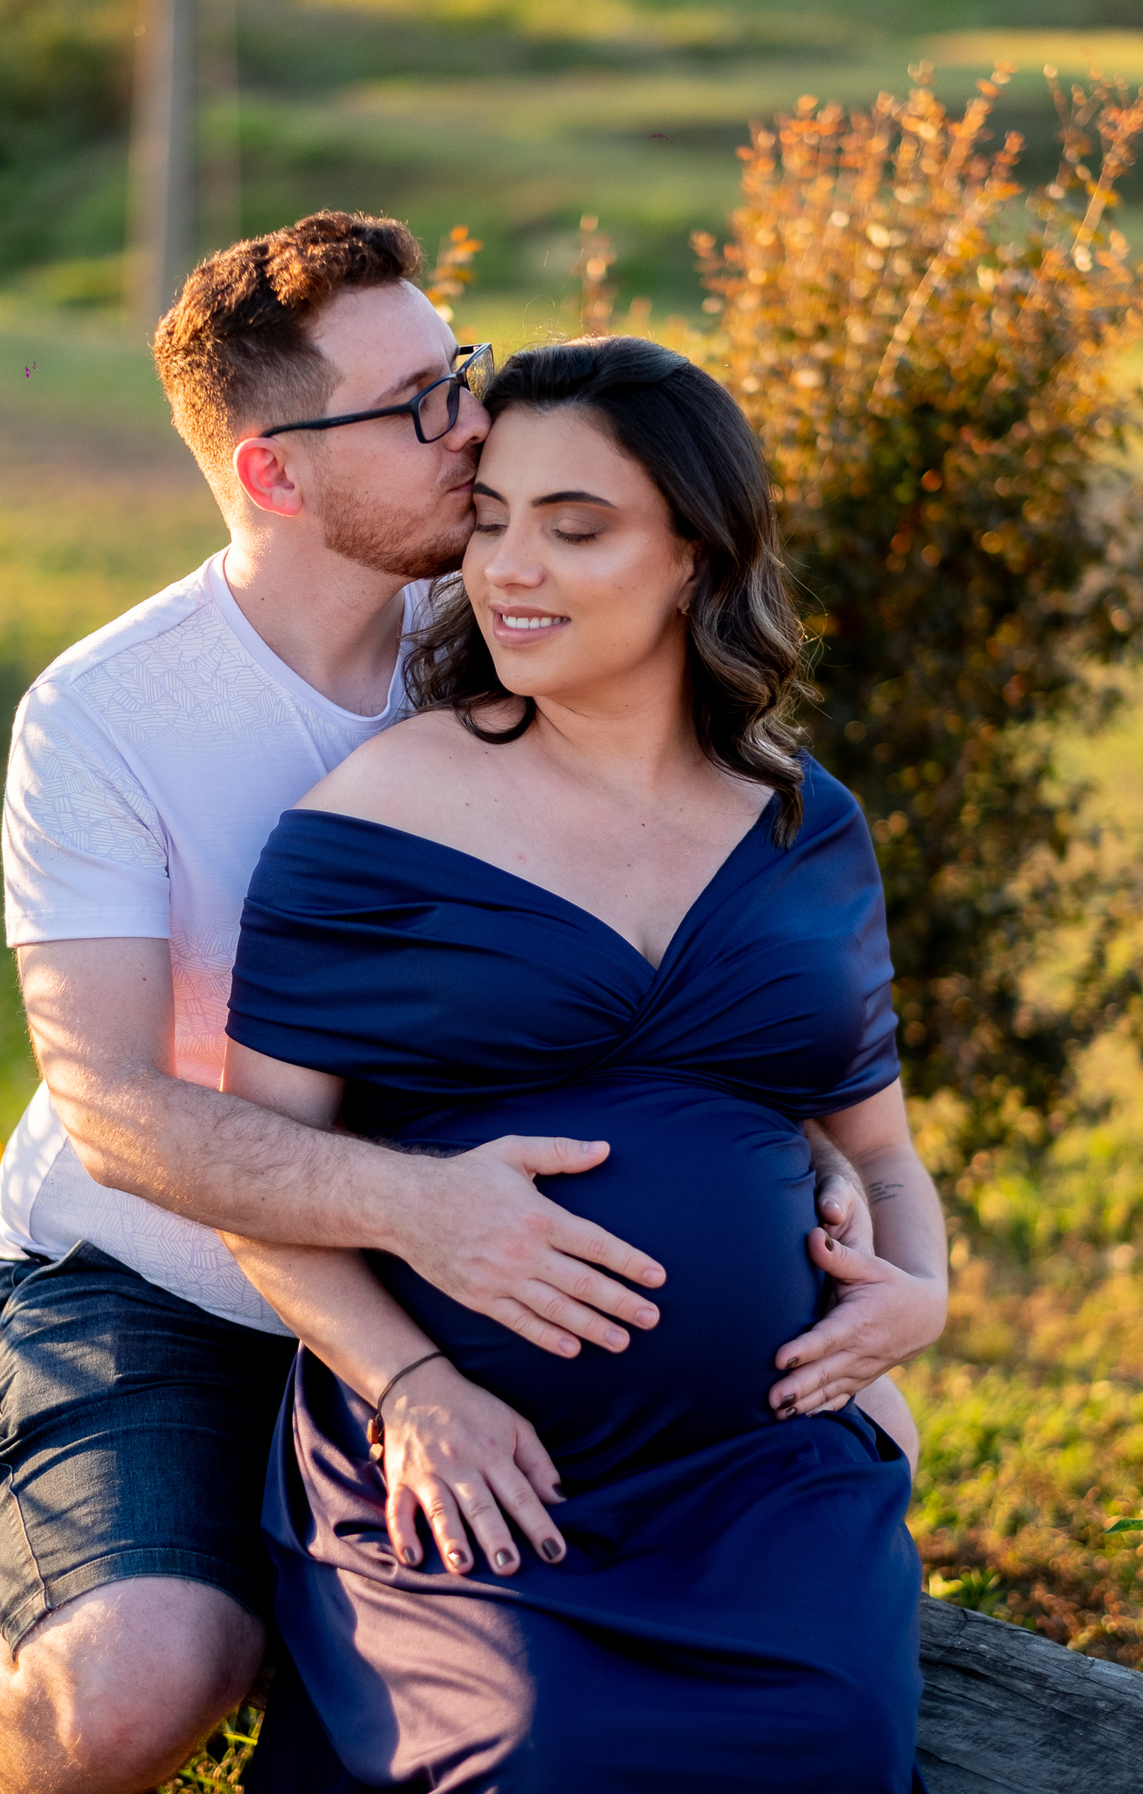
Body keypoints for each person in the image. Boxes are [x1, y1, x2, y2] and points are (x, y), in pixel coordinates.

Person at [0, 216, 925, 1794]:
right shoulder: (109, 715)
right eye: (418, 404)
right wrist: (420, 1235)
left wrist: (809, 1166)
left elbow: (711, 929)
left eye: (459, 370)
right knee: (140, 1678)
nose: (472, 424)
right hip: (166, 1290)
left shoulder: (499, 625)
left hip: (500, 1321)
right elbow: (117, 1113)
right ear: (274, 473)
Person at [220, 335, 949, 1792]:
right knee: (540, 1754)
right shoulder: (377, 820)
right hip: (476, 1468)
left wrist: (918, 1297)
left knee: (835, 1741)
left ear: (696, 555)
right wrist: (417, 1384)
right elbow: (259, 1184)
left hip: (762, 1474)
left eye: (575, 528)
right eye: (491, 521)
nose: (508, 572)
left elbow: (879, 1151)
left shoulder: (806, 824)